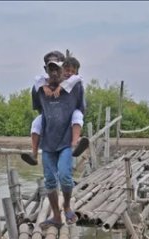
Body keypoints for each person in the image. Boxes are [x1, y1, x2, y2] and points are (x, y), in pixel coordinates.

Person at [31, 51, 88, 228]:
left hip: (66, 141)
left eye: (58, 69)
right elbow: (40, 109)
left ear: (64, 68)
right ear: (46, 70)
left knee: (64, 176)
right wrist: (46, 87)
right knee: (49, 180)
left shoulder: (75, 86)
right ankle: (56, 216)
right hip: (48, 141)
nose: (55, 73)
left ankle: (67, 206)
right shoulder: (39, 88)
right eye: (51, 69)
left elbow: (81, 109)